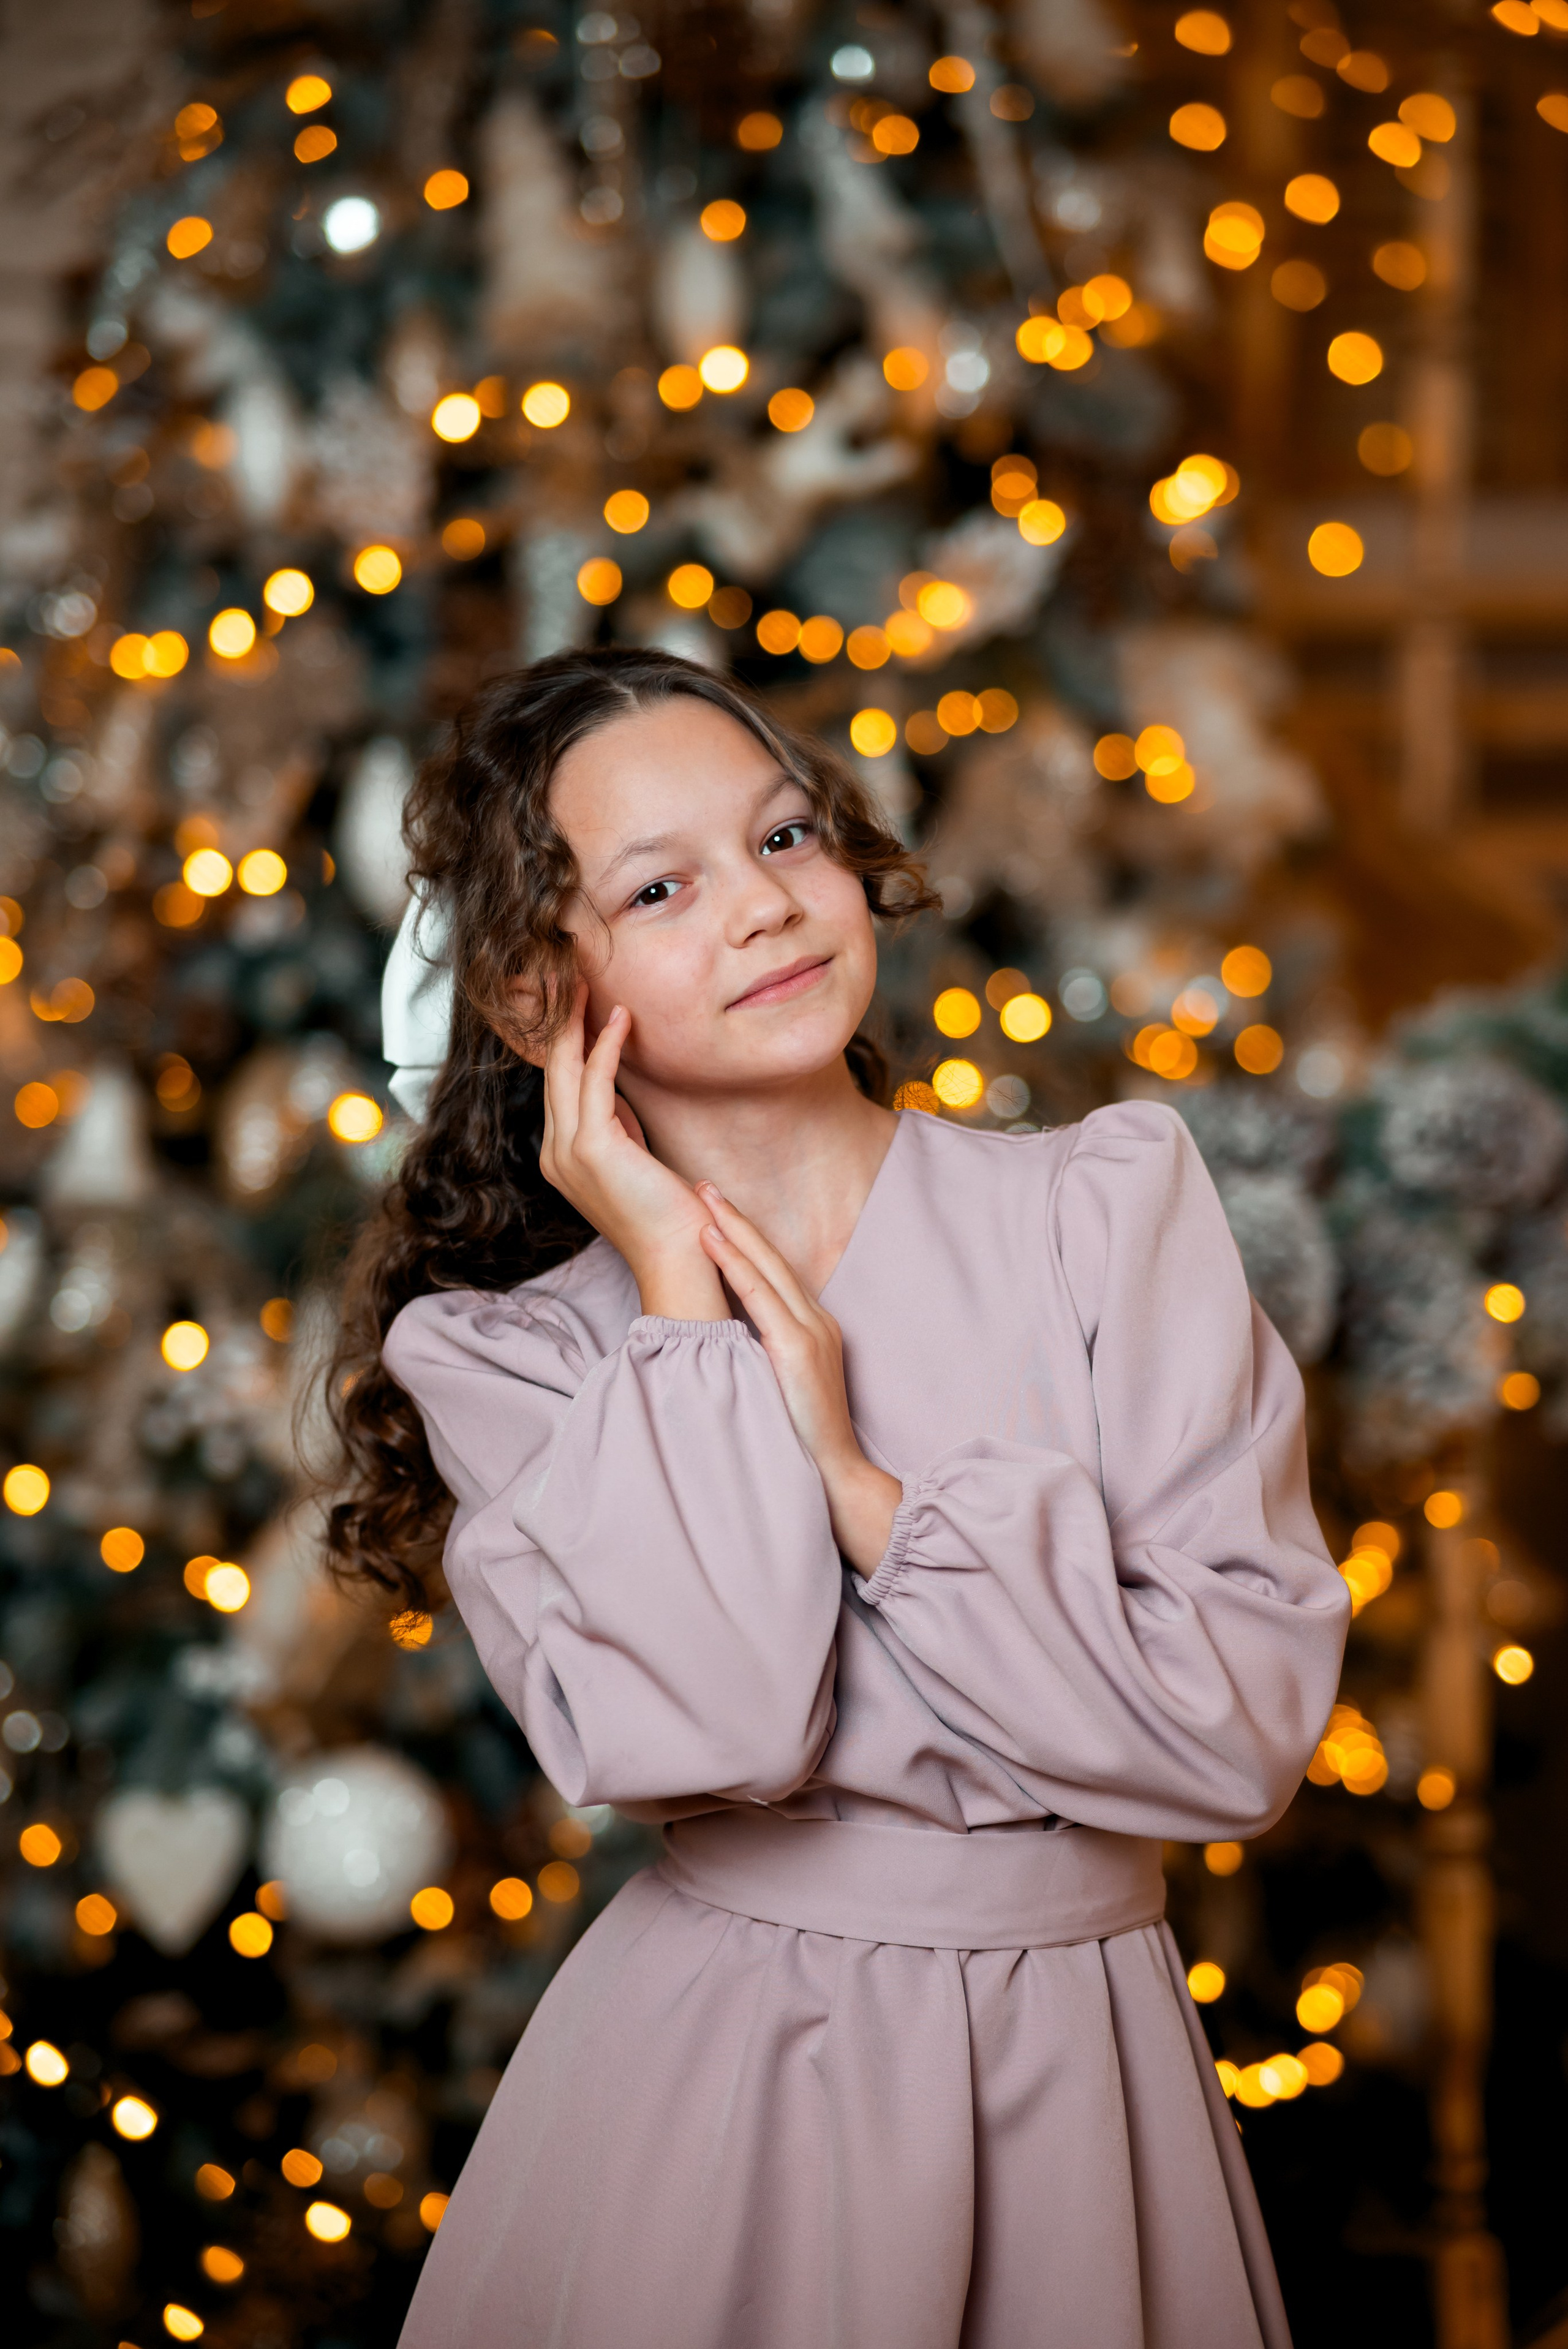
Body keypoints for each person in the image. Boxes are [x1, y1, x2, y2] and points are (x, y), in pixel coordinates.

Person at [328, 644, 1350, 2349]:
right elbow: (715, 1729)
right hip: (722, 2096)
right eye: (665, 884)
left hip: (1089, 2076)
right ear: (534, 999)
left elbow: (1235, 1732)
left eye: (787, 837)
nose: (766, 907)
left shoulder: (1109, 1213)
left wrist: (869, 1495)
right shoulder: (510, 1359)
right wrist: (677, 1306)